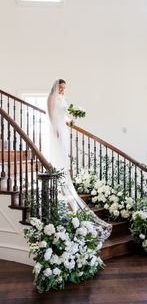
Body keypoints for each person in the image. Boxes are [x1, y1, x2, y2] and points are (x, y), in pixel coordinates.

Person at [47, 78, 112, 241]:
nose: (62, 90)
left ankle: (63, 178)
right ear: (56, 87)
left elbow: (63, 115)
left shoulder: (62, 98)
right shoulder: (51, 98)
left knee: (64, 155)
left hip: (63, 128)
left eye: (64, 88)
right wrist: (54, 128)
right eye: (60, 88)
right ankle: (58, 179)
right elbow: (50, 114)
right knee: (57, 153)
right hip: (56, 129)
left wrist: (71, 120)